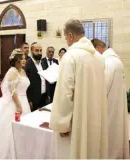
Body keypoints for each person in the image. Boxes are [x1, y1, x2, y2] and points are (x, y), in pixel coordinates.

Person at [49, 19, 108, 159]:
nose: (66, 41)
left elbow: (65, 93)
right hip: (95, 117)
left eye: (65, 37)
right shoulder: (99, 58)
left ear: (70, 35)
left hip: (77, 121)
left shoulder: (70, 56)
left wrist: (62, 124)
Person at [91, 38, 129, 159]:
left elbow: (102, 89)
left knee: (109, 139)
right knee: (117, 135)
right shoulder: (116, 60)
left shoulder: (107, 63)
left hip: (109, 107)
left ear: (98, 48)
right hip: (117, 105)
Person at [25, 42, 47, 111]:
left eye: (40, 50)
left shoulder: (43, 62)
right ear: (32, 51)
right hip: (34, 98)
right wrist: (29, 100)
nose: (39, 53)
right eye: (37, 50)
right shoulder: (27, 64)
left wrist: (48, 94)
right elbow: (26, 84)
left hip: (44, 96)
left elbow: (46, 79)